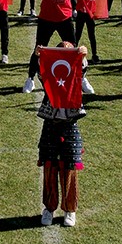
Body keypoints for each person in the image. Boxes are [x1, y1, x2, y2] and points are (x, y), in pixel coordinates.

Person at [36, 42, 87, 227]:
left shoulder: (75, 77)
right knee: (50, 169)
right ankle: (49, 209)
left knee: (69, 168)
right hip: (51, 126)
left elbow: (82, 72)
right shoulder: (49, 76)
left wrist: (82, 56)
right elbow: (41, 74)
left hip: (70, 127)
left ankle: (69, 210)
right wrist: (39, 56)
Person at [22, 0, 82, 93]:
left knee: (74, 50)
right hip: (46, 18)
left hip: (64, 18)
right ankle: (30, 79)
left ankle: (80, 78)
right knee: (39, 49)